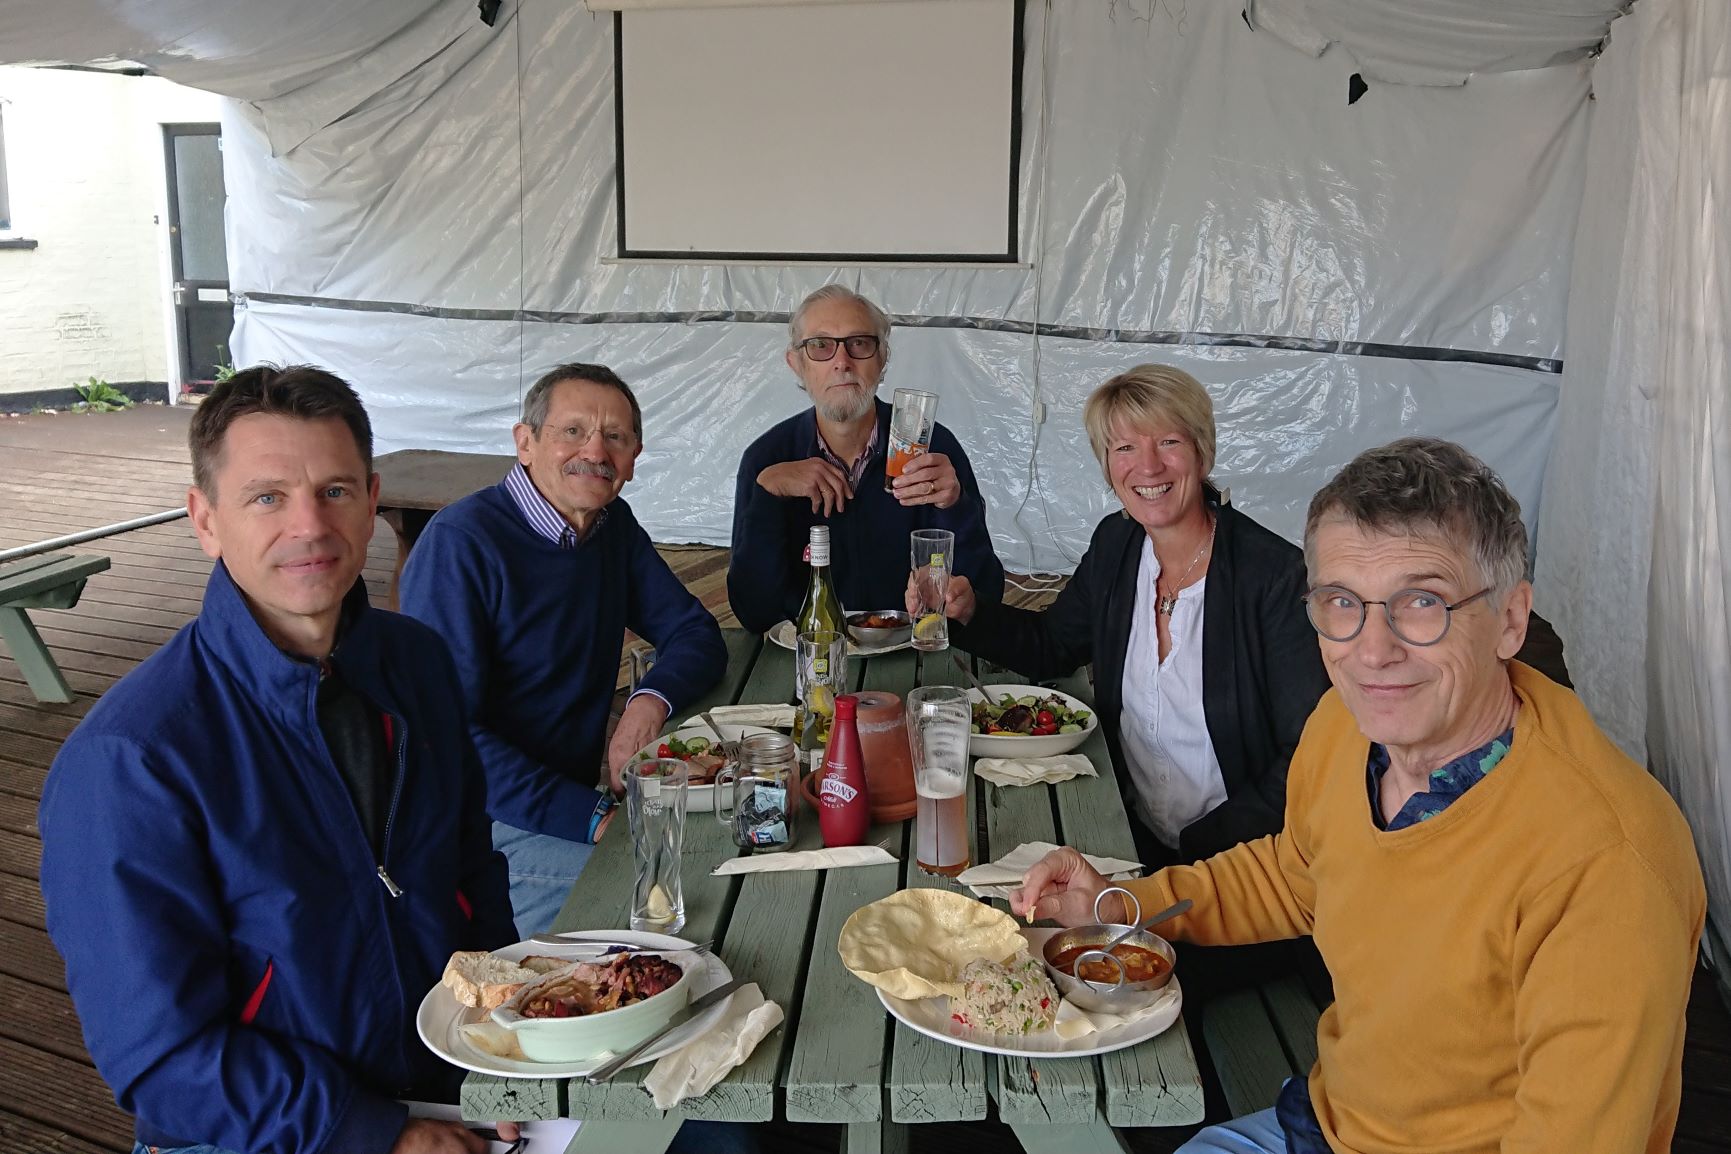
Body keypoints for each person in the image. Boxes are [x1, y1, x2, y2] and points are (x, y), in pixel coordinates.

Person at [1014, 437, 1707, 1154]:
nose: (1372, 651)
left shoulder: (1606, 865)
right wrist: (1115, 907)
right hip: (1327, 1122)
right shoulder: (1347, 726)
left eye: (1423, 602)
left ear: (1509, 619)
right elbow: (1293, 875)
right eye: (1343, 602)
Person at [39, 365, 518, 1154]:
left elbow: (472, 875)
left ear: (371, 502)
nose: (310, 526)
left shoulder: (418, 664)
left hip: (449, 1094)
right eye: (267, 497)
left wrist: (498, 1050)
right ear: (205, 521)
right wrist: (376, 1134)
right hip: (261, 1133)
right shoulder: (132, 759)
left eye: (334, 491)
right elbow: (160, 1057)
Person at [934, 364, 1329, 864]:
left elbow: (1309, 756)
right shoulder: (1117, 544)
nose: (1148, 466)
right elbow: (1053, 645)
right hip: (1130, 836)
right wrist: (970, 611)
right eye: (1124, 448)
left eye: (1168, 442)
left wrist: (1196, 856)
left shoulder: (1275, 577)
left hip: (1243, 863)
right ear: (1107, 465)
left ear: (1203, 452)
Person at [399, 362, 726, 937]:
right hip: (479, 829)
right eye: (573, 431)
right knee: (688, 896)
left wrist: (648, 700)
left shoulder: (609, 526)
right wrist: (591, 815)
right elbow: (447, 739)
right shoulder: (461, 545)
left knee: (718, 849)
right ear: (525, 443)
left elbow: (696, 633)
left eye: (615, 437)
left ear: (633, 457)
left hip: (566, 801)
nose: (595, 451)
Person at [727, 284, 1004, 632]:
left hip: (914, 648)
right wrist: (768, 496)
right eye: (820, 345)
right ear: (796, 363)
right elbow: (754, 613)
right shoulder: (767, 460)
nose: (842, 362)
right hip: (810, 654)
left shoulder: (932, 449)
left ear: (882, 357)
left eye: (859, 343)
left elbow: (986, 593)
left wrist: (955, 506)